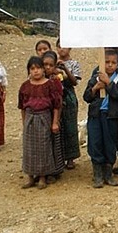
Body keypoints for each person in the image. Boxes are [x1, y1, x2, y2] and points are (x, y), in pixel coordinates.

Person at [83, 49, 118, 188]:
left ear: (117, 64)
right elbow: (86, 97)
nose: (110, 65)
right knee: (95, 142)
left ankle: (108, 174)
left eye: (113, 63)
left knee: (110, 144)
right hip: (96, 115)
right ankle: (97, 174)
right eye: (107, 62)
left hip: (112, 116)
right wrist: (96, 87)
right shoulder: (96, 77)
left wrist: (109, 84)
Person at [18, 56, 62, 189]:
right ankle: (30, 177)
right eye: (32, 69)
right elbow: (22, 106)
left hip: (44, 117)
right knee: (29, 148)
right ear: (29, 71)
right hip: (30, 118)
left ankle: (43, 177)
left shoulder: (50, 85)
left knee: (43, 147)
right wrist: (24, 122)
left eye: (38, 68)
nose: (36, 71)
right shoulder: (25, 86)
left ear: (43, 70)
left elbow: (56, 106)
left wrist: (55, 122)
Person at [56, 39, 81, 170]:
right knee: (58, 127)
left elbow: (74, 82)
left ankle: (71, 158)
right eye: (59, 47)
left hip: (69, 96)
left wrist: (64, 68)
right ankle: (59, 157)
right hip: (55, 96)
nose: (62, 49)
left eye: (64, 47)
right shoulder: (52, 63)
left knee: (70, 126)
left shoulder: (74, 63)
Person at [42, 51, 66, 182]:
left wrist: (57, 120)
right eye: (45, 64)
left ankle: (54, 171)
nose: (47, 67)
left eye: (50, 65)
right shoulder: (35, 80)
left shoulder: (56, 81)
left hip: (54, 115)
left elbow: (59, 102)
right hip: (40, 116)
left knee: (54, 143)